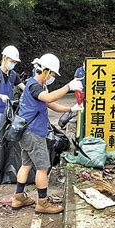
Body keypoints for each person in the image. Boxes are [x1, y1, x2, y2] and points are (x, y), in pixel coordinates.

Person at [11, 53, 83, 214]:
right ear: (45, 71)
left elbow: (50, 103)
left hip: (25, 133)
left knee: (26, 164)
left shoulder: (32, 84)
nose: (52, 78)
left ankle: (18, 197)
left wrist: (71, 109)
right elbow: (50, 97)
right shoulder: (35, 86)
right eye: (52, 74)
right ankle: (42, 203)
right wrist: (68, 87)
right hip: (33, 134)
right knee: (43, 168)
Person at [0, 46, 25, 140]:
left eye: (15, 62)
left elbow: (24, 88)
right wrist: (1, 96)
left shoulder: (13, 74)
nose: (13, 64)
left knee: (9, 139)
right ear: (4, 58)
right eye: (11, 61)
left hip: (9, 113)